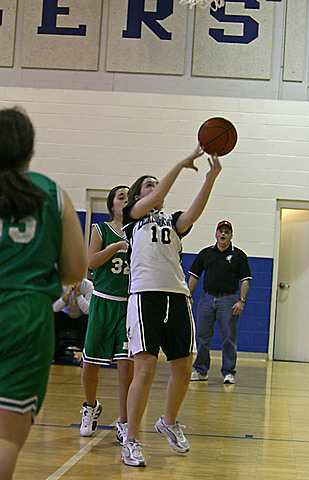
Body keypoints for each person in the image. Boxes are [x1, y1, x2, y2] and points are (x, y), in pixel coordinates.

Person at [120, 145, 222, 467]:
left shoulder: (172, 221)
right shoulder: (133, 218)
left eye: (155, 184)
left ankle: (168, 421)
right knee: (146, 368)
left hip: (176, 295)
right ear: (138, 197)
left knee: (184, 366)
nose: (155, 187)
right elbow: (161, 191)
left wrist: (211, 177)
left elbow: (193, 213)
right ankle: (132, 440)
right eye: (148, 185)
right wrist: (181, 163)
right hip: (145, 296)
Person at [0, 107, 87, 480]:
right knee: (5, 440)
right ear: (30, 151)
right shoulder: (53, 193)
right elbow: (75, 270)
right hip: (26, 315)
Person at [80, 185, 134, 446]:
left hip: (129, 305)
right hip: (103, 302)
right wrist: (117, 247)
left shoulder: (140, 232)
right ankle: (90, 407)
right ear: (112, 205)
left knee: (126, 367)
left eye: (128, 197)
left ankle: (124, 421)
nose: (125, 201)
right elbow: (91, 262)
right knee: (90, 363)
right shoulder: (100, 229)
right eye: (120, 197)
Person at [188, 220, 252, 385]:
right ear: (215, 234)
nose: (223, 234)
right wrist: (188, 295)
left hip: (228, 300)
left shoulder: (239, 256)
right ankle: (201, 371)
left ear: (231, 236)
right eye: (220, 231)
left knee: (229, 338)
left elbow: (245, 280)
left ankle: (229, 372)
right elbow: (194, 275)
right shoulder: (205, 254)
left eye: (226, 232)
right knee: (202, 337)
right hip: (206, 299)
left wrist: (241, 301)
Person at [52, 279, 93, 362]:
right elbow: (55, 308)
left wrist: (79, 294)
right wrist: (67, 293)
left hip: (81, 319)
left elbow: (88, 310)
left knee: (89, 319)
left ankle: (87, 354)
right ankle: (56, 354)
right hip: (65, 317)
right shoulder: (60, 284)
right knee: (55, 317)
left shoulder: (88, 285)